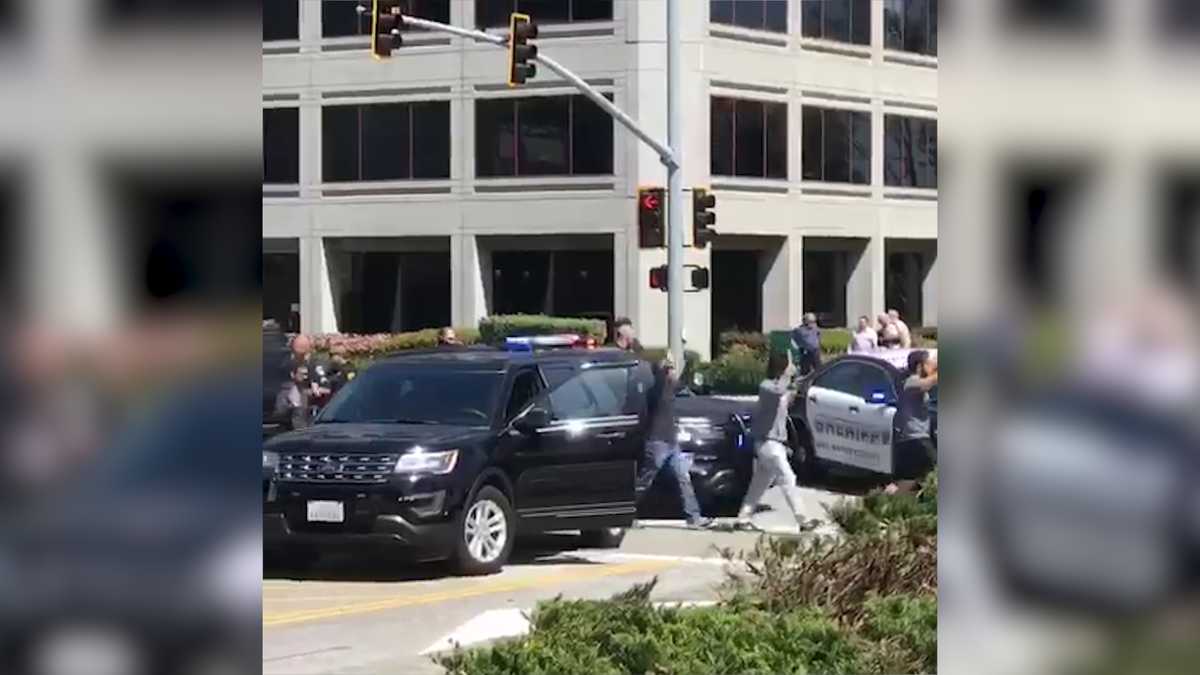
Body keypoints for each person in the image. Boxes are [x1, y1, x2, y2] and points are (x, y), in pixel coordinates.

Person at [634, 356, 713, 529]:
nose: (674, 372)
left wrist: (687, 363)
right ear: (665, 372)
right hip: (657, 443)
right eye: (671, 369)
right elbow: (663, 382)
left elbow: (683, 383)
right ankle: (625, 513)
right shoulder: (658, 388)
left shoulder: (669, 388)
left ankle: (694, 517)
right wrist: (665, 368)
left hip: (670, 441)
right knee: (644, 481)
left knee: (683, 478)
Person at [735, 350, 806, 532]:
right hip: (768, 443)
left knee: (759, 485)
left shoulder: (778, 388)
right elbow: (778, 392)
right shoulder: (766, 387)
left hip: (776, 443)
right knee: (788, 478)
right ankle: (803, 519)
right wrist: (788, 375)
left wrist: (796, 386)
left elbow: (785, 398)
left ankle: (743, 518)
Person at [888, 349, 938, 492]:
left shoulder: (913, 381)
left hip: (911, 439)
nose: (932, 366)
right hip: (915, 438)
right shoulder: (911, 381)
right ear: (919, 366)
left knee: (908, 480)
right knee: (934, 468)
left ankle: (885, 503)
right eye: (929, 363)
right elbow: (928, 383)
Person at [274, 364, 312, 432]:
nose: (305, 377)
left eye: (306, 374)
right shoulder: (286, 391)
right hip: (290, 430)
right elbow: (279, 412)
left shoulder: (303, 391)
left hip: (304, 429)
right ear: (293, 374)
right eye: (302, 374)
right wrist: (292, 406)